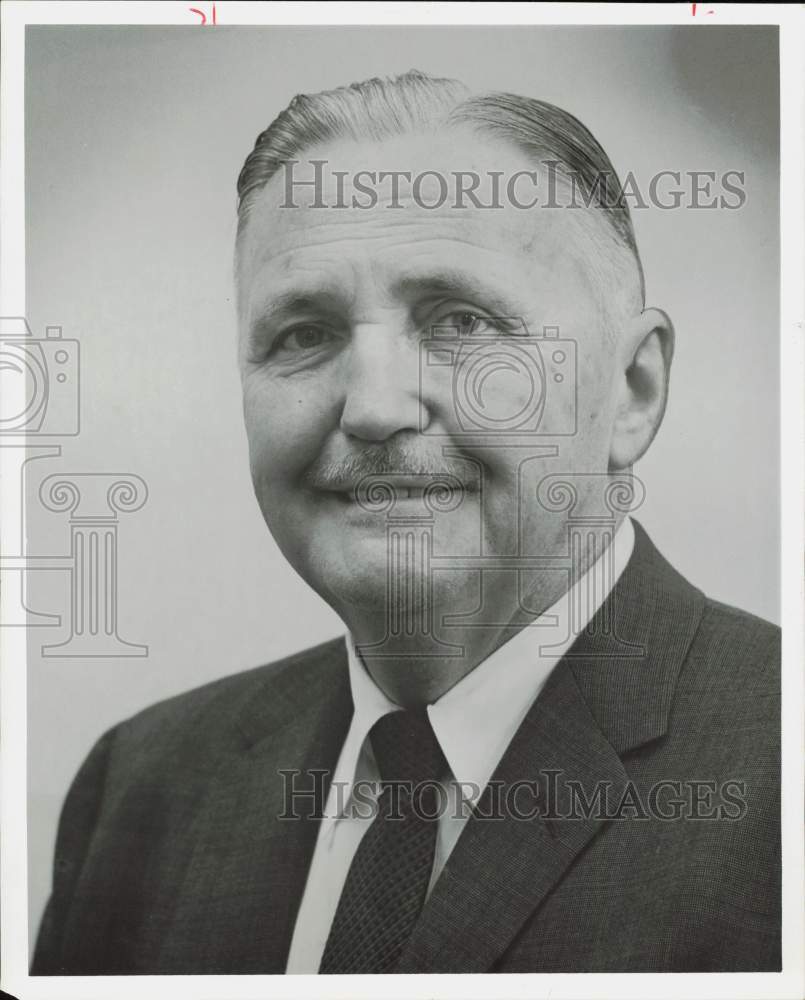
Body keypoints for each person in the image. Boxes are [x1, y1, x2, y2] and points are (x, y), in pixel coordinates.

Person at [32, 70, 780, 975]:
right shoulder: (142, 792)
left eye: (460, 321)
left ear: (632, 390)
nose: (375, 407)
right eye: (304, 334)